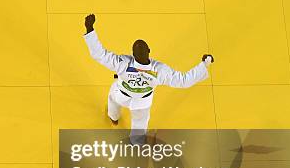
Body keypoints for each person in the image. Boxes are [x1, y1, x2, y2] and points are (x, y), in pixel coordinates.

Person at [83, 13, 214, 142]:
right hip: (142, 103)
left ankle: (113, 118)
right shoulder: (159, 70)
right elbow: (184, 81)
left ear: (132, 54)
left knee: (113, 99)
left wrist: (90, 29)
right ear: (149, 50)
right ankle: (137, 142)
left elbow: (99, 54)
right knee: (140, 124)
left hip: (122, 95)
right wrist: (204, 64)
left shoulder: (122, 63)